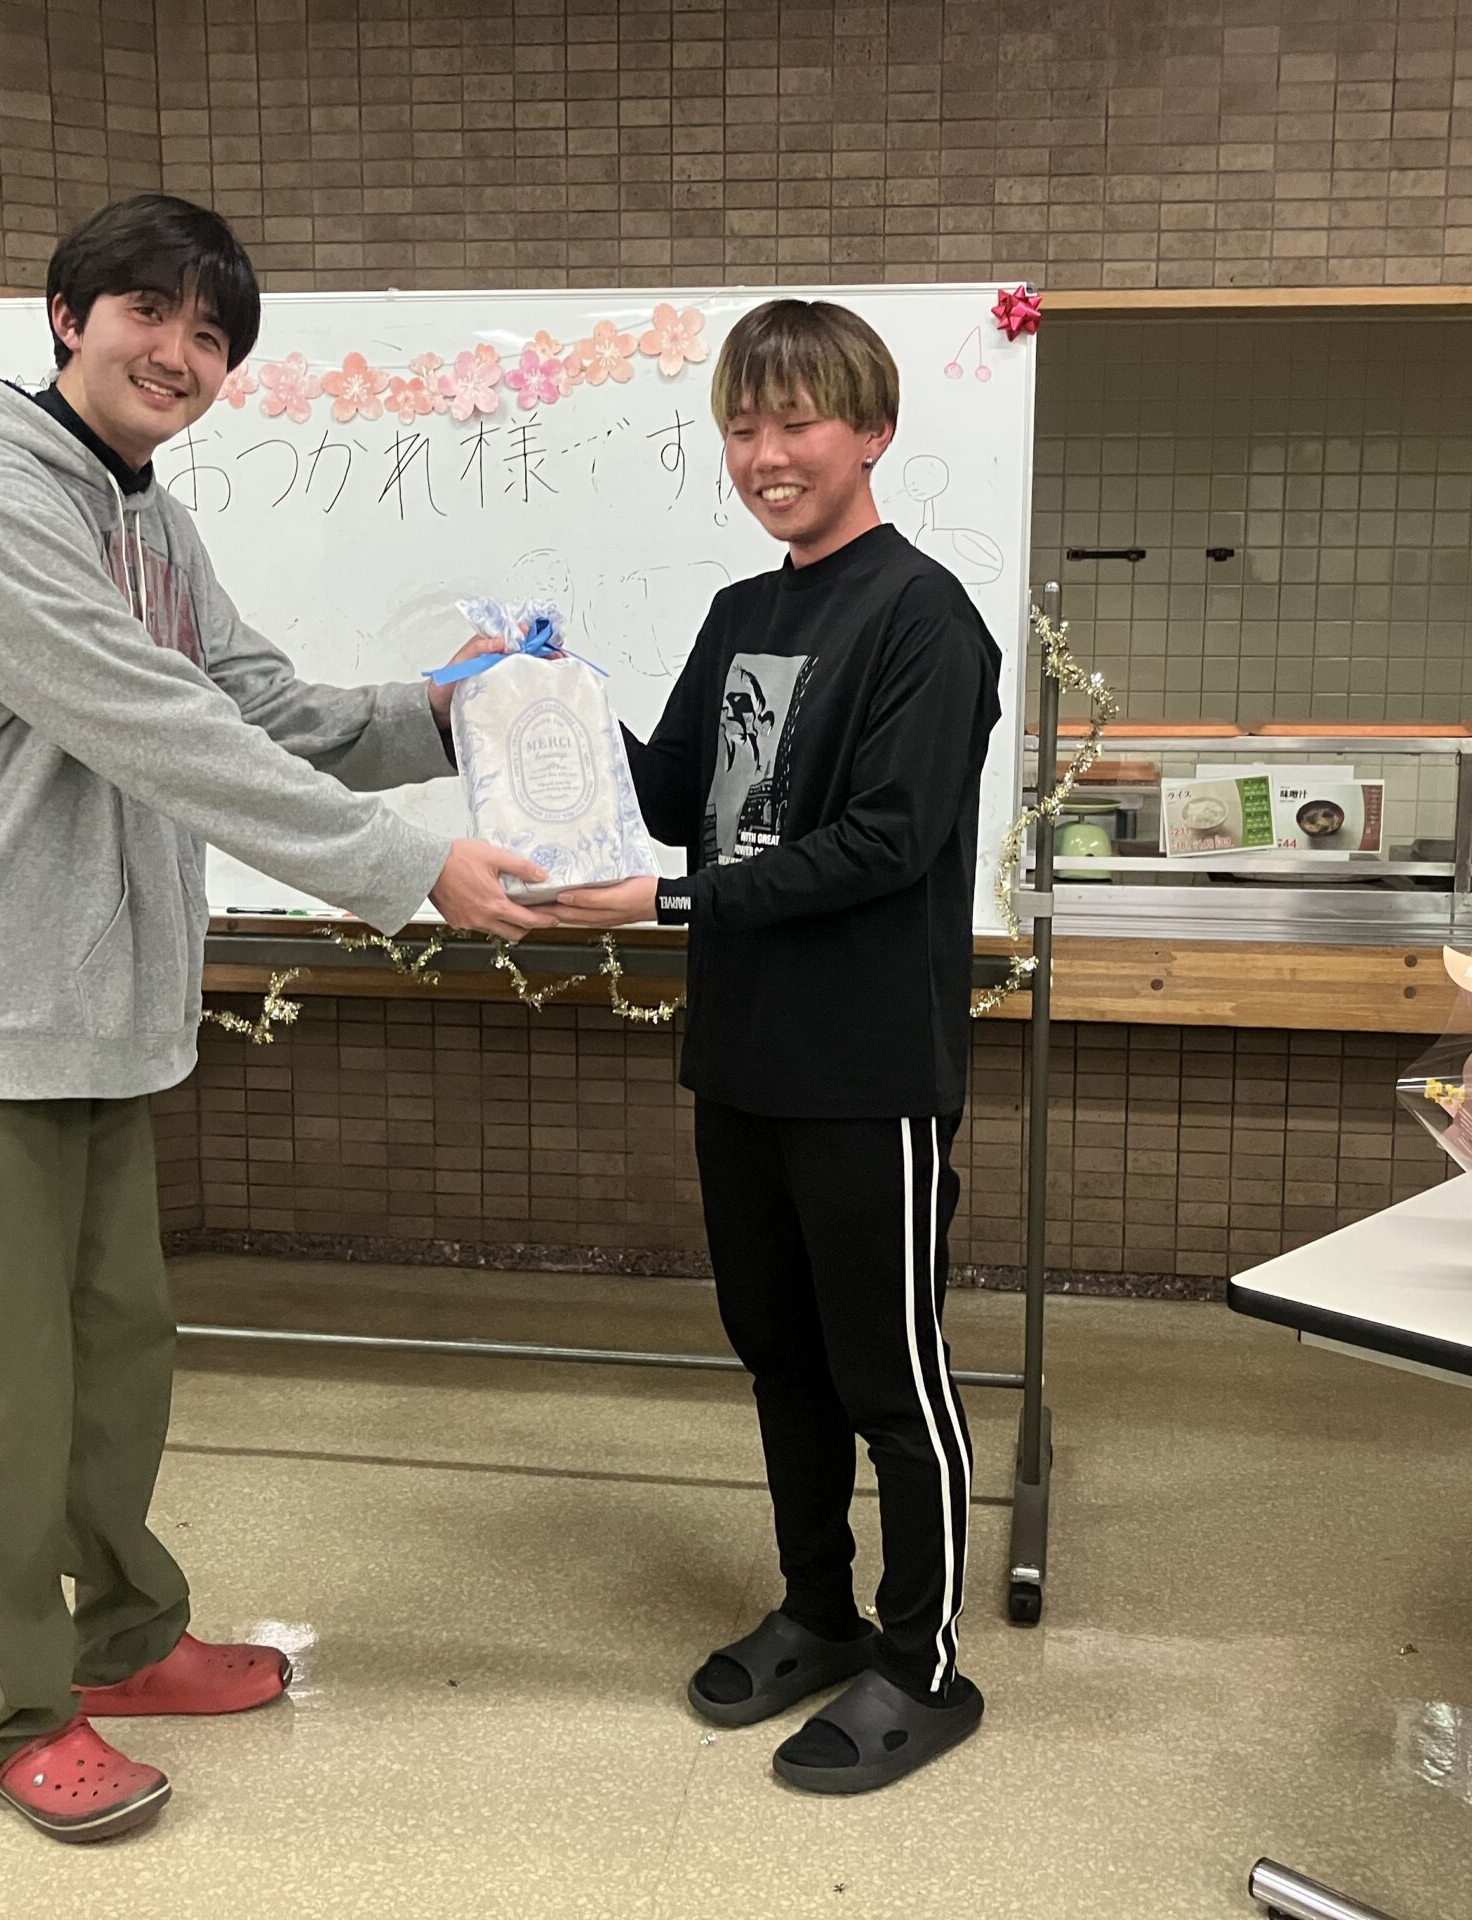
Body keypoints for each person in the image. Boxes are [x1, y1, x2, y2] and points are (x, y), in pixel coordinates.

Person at [0, 192, 551, 1843]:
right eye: (148, 313)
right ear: (68, 317)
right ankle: (25, 1710)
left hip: (92, 1027)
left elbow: (260, 704)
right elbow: (152, 722)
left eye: (212, 334)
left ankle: (127, 1639)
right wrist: (405, 867)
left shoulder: (144, 517)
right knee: (4, 1404)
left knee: (114, 1370)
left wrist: (452, 710)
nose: (179, 352)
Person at [554, 299, 1001, 1793]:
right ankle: (819, 1610)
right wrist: (539, 701)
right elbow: (672, 793)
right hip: (742, 1057)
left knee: (890, 1375)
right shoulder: (744, 611)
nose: (767, 455)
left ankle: (922, 1663)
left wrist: (667, 900)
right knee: (779, 1359)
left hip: (868, 1071)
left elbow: (888, 841)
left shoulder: (925, 617)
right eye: (743, 427)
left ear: (872, 431)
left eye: (797, 422)